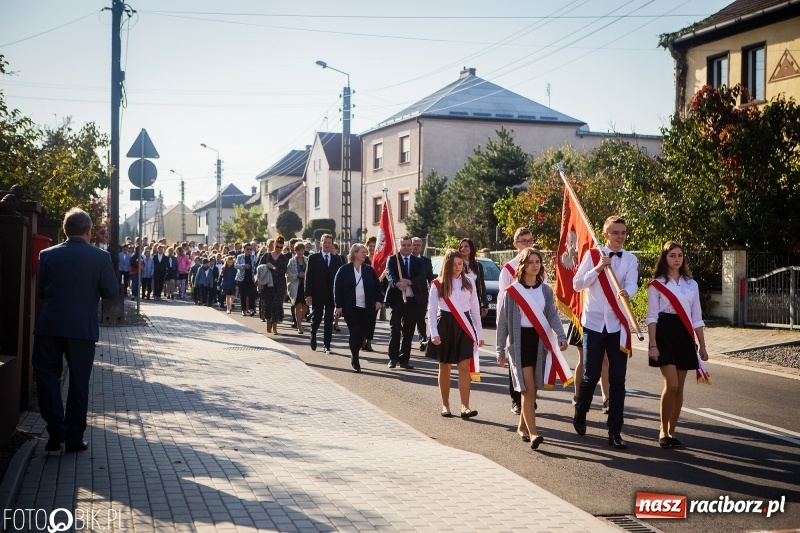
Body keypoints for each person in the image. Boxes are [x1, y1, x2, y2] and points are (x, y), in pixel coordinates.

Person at [33, 208, 118, 453]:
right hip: (82, 328)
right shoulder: (100, 257)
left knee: (47, 377)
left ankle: (56, 429)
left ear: (65, 230)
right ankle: (73, 438)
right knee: (79, 382)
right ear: (89, 231)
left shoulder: (47, 255)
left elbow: (41, 292)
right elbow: (111, 292)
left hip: (50, 326)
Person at [572, 216, 638, 449]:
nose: (620, 236)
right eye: (615, 232)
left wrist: (628, 293)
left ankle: (615, 430)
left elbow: (633, 283)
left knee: (618, 379)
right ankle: (581, 410)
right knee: (591, 374)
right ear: (605, 234)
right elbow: (577, 284)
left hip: (618, 324)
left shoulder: (630, 259)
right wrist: (599, 268)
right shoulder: (592, 256)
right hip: (594, 323)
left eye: (623, 232)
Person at [496, 248, 568, 450]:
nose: (535, 265)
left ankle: (522, 427)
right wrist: (500, 350)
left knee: (533, 390)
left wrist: (561, 336)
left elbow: (552, 314)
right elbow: (503, 323)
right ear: (523, 265)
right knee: (527, 389)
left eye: (538, 262)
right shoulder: (513, 292)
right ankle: (534, 433)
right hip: (520, 343)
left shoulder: (545, 290)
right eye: (530, 262)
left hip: (539, 343)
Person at [646, 241, 708, 448]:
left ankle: (672, 432)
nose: (677, 259)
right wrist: (652, 345)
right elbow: (652, 316)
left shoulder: (692, 284)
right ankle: (662, 430)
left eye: (680, 255)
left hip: (684, 334)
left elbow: (696, 317)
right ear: (665, 258)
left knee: (679, 387)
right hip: (664, 333)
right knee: (671, 384)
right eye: (672, 255)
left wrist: (703, 346)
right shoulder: (656, 284)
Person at [426, 249, 484, 418]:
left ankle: (465, 406)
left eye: (460, 264)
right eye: (454, 264)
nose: (458, 267)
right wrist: (434, 332)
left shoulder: (469, 282)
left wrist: (479, 333)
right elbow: (432, 310)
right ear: (447, 265)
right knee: (445, 367)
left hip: (465, 326)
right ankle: (445, 405)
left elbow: (475, 309)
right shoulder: (438, 284)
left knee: (464, 367)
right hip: (445, 325)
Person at [497, 227, 534, 415]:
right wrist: (502, 326)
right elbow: (503, 299)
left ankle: (530, 397)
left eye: (530, 240)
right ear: (515, 245)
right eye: (524, 241)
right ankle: (517, 399)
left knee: (533, 362)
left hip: (534, 321)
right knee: (515, 362)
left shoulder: (538, 265)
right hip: (514, 322)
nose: (528, 244)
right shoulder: (508, 269)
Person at [334, 244, 383, 372]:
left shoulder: (368, 270)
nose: (365, 254)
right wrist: (338, 305)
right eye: (362, 252)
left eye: (365, 252)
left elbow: (377, 287)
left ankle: (355, 352)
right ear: (354, 253)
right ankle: (355, 358)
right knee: (355, 332)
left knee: (362, 334)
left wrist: (378, 300)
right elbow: (337, 288)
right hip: (350, 307)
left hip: (366, 308)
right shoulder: (344, 269)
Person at [385, 236, 428, 370]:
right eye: (403, 245)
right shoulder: (393, 259)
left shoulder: (418, 261)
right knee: (395, 328)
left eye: (408, 245)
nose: (406, 247)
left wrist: (409, 282)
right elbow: (389, 273)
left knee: (409, 331)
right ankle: (393, 358)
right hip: (397, 300)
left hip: (412, 300)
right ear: (399, 246)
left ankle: (404, 359)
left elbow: (422, 277)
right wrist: (396, 283)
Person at [304, 234, 344, 353]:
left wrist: (340, 296)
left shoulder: (337, 260)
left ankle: (327, 345)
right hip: (317, 294)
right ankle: (313, 334)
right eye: (325, 242)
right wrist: (308, 294)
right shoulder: (313, 258)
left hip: (331, 295)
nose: (327, 245)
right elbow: (308, 277)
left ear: (332, 244)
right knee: (317, 317)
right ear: (321, 243)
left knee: (329, 319)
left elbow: (340, 279)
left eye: (329, 243)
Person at [259, 235, 290, 334]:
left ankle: (275, 327)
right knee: (267, 304)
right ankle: (268, 324)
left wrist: (273, 267)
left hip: (279, 285)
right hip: (267, 284)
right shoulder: (267, 256)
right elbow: (259, 269)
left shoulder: (284, 258)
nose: (279, 249)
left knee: (277, 305)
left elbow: (284, 271)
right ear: (274, 245)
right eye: (277, 246)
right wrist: (259, 285)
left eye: (281, 247)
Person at [412, 236, 436, 351]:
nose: (416, 247)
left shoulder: (426, 261)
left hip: (422, 294)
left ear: (421, 247)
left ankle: (423, 340)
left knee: (421, 318)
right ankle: (405, 339)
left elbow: (430, 278)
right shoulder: (405, 260)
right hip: (408, 292)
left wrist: (434, 291)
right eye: (414, 245)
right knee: (407, 319)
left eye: (418, 245)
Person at [286, 241, 308, 334]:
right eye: (298, 251)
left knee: (305, 307)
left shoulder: (307, 260)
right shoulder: (291, 261)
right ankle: (299, 325)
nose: (300, 252)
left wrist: (305, 275)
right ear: (295, 251)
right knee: (298, 305)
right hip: (296, 286)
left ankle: (299, 320)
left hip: (306, 286)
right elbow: (288, 275)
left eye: (302, 250)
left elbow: (311, 273)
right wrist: (298, 275)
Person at [236, 243, 258, 316]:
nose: (249, 251)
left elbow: (257, 265)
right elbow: (236, 265)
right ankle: (243, 310)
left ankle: (251, 309)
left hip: (251, 278)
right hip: (242, 278)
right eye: (247, 249)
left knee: (252, 294)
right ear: (244, 249)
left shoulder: (253, 257)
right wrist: (244, 266)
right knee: (243, 295)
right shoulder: (240, 256)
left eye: (250, 249)